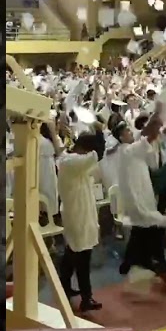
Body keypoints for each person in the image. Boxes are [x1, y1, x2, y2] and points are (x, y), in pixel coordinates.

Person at [117, 109, 166, 274]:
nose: (130, 133)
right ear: (121, 137)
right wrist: (159, 116)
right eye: (126, 132)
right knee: (145, 227)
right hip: (139, 194)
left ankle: (135, 260)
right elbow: (147, 137)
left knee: (143, 229)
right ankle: (140, 260)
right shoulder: (127, 150)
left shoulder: (132, 149)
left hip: (147, 190)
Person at [56, 132, 104, 312]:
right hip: (77, 216)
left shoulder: (71, 161)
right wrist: (98, 130)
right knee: (83, 258)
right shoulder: (72, 162)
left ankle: (64, 286)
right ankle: (86, 297)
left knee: (72, 253)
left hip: (80, 214)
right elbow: (96, 155)